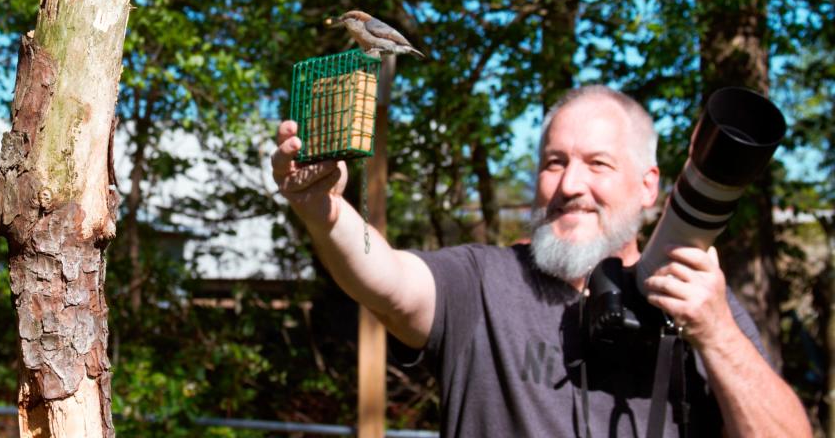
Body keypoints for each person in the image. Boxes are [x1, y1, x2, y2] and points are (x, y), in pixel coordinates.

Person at [271, 85, 811, 437]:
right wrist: (325, 211)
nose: (571, 186)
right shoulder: (481, 282)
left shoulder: (699, 303)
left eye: (597, 164)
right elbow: (384, 276)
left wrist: (716, 335)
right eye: (555, 163)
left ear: (650, 186)